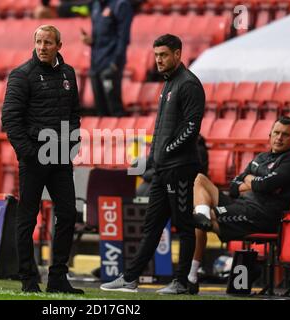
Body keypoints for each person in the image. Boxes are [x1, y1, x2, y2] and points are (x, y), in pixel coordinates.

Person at [100, 34, 205, 294]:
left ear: (178, 54)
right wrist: (155, 157)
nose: (158, 60)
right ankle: (130, 278)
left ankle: (182, 281)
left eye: (164, 55)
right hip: (162, 168)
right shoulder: (169, 84)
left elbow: (191, 128)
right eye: (156, 55)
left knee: (184, 224)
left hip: (179, 168)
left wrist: (166, 151)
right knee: (152, 225)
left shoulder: (188, 84)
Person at [1, 25, 83, 294]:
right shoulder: (21, 75)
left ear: (59, 45)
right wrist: (29, 153)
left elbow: (74, 114)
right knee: (28, 218)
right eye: (38, 41)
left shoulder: (68, 74)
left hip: (60, 158)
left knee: (68, 214)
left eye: (48, 42)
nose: (42, 47)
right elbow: (10, 120)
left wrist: (72, 142)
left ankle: (58, 277)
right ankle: (28, 279)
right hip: (34, 158)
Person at [189, 116, 290, 287]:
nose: (279, 138)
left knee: (200, 221)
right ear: (270, 135)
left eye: (285, 135)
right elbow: (233, 186)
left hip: (260, 215)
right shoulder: (261, 157)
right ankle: (203, 214)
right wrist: (255, 183)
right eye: (276, 133)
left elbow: (264, 185)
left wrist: (252, 180)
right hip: (241, 205)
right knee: (200, 180)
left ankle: (191, 276)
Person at [81, 0, 133, 117]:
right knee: (100, 110)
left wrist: (116, 63)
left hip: (111, 63)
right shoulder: (95, 5)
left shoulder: (121, 5)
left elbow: (123, 38)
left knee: (114, 108)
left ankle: (120, 133)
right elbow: (99, 37)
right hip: (96, 64)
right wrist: (90, 41)